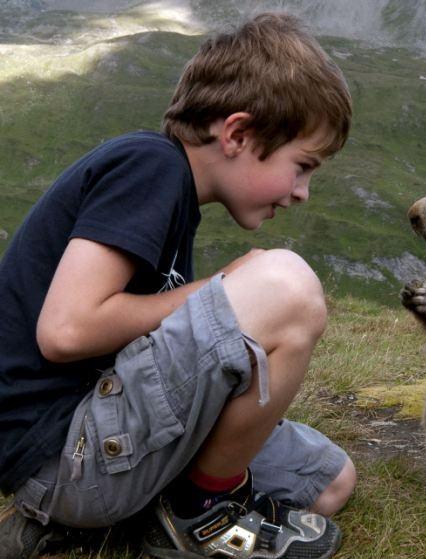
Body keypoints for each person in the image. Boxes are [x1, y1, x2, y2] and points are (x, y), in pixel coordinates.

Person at [0, 12, 355, 559]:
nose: (302, 191)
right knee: (286, 283)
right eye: (302, 165)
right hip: (63, 454)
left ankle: (110, 526)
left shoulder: (178, 203)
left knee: (328, 480)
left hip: (110, 440)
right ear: (237, 133)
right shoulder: (150, 166)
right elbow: (66, 331)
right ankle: (199, 515)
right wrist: (221, 286)